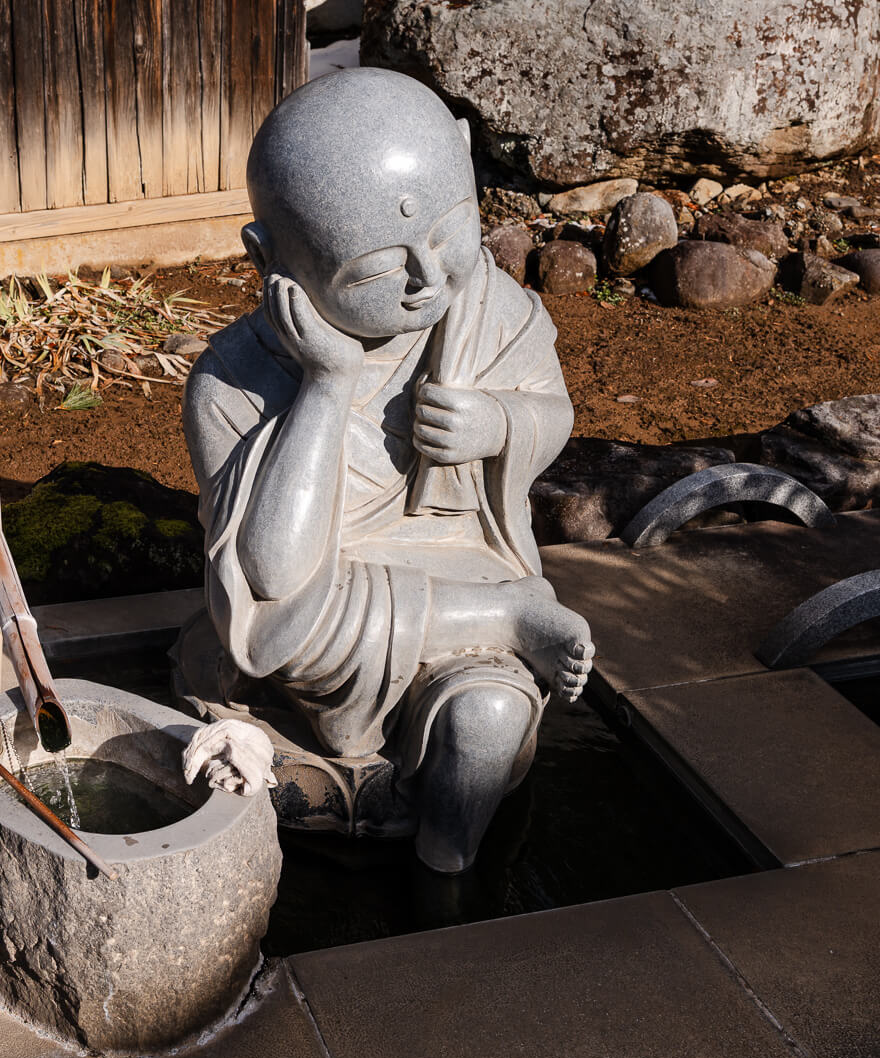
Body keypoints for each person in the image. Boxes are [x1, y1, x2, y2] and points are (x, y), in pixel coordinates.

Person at [179, 68, 593, 873]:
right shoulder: (232, 381)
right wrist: (327, 384)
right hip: (327, 608)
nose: (429, 282)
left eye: (449, 234)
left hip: (466, 560)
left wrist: (498, 422)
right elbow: (270, 581)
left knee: (484, 727)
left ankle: (449, 880)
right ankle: (509, 619)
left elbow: (554, 417)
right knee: (272, 627)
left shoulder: (492, 310)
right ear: (271, 259)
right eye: (375, 272)